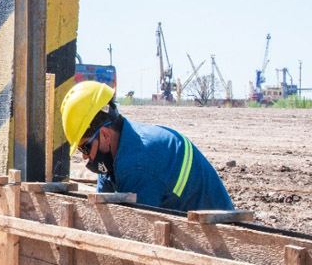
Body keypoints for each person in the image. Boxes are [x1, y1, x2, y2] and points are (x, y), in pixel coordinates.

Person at [61, 81, 234, 212]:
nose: (84, 157)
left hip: (217, 235)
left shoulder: (139, 163)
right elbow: (102, 212)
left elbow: (139, 230)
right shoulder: (114, 155)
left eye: (84, 148)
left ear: (105, 135)